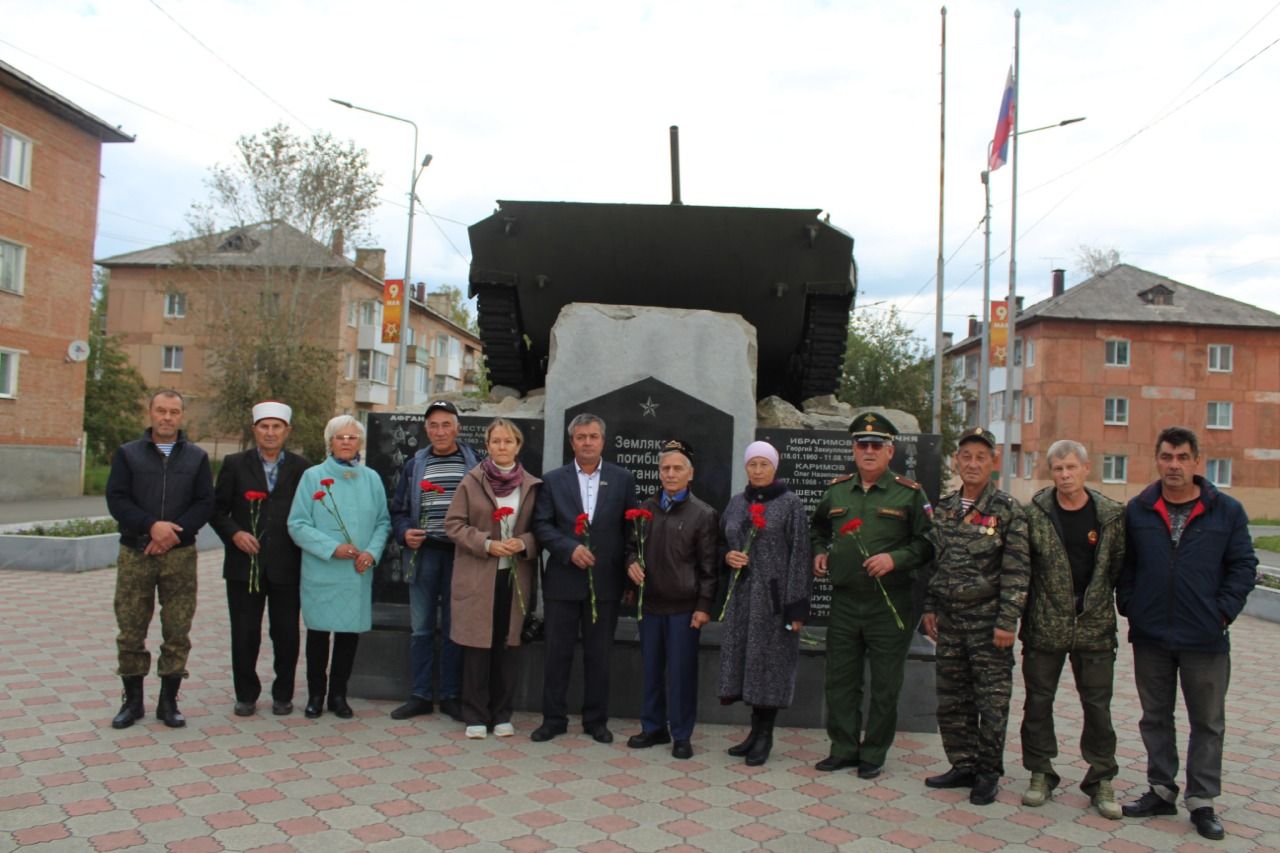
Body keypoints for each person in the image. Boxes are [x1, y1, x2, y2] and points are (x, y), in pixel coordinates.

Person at [1117, 427, 1257, 840]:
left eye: (1181, 457)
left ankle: (1202, 801)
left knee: (1208, 722)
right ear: (1156, 460)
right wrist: (1131, 604)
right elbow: (1125, 566)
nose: (1173, 465)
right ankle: (1160, 789)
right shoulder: (1139, 509)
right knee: (1155, 717)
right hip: (1151, 635)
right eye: (1166, 457)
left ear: (1197, 461)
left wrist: (1222, 613)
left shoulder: (1226, 511)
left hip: (1206, 637)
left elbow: (1244, 566)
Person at [810, 412, 933, 778]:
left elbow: (927, 543)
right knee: (841, 679)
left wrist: (895, 559)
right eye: (862, 445)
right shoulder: (837, 490)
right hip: (846, 601)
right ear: (853, 449)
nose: (868, 451)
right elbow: (817, 527)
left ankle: (874, 752)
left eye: (876, 445)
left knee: (884, 683)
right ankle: (844, 747)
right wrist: (820, 551)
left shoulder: (908, 493)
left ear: (890, 450)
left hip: (889, 603)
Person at [922, 426, 1029, 805]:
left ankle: (988, 771)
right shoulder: (945, 508)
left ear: (993, 463)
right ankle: (962, 763)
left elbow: (1017, 571)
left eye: (980, 457)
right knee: (953, 698)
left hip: (988, 626)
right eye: (966, 456)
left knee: (991, 700)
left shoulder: (1008, 511)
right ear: (956, 460)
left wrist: (1007, 621)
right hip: (950, 622)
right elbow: (936, 564)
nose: (972, 463)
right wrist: (930, 608)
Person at [1019, 440, 1125, 819]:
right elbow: (1023, 569)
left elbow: (1117, 568)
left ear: (1085, 469)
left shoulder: (1111, 515)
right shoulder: (1034, 513)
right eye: (1058, 469)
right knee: (1038, 701)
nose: (1065, 475)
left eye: (1071, 468)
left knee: (1097, 706)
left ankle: (1101, 777)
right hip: (1045, 625)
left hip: (1093, 627)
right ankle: (1040, 771)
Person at [106, 389, 215, 729]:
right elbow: (117, 499)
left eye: (174, 412)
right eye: (161, 411)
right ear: (150, 412)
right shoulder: (128, 455)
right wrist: (151, 526)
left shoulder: (196, 458)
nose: (167, 417)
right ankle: (133, 701)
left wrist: (172, 536)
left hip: (179, 557)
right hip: (136, 553)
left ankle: (169, 701)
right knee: (131, 629)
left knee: (177, 629)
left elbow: (204, 503)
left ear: (182, 416)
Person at [531, 413, 638, 744]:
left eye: (593, 436)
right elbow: (542, 524)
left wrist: (629, 575)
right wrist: (568, 548)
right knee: (557, 654)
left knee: (599, 656)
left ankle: (596, 720)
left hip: (605, 583)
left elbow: (630, 530)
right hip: (563, 581)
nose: (587, 442)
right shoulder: (552, 480)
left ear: (603, 440)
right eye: (580, 437)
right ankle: (553, 719)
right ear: (571, 441)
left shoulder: (622, 479)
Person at [287, 415, 390, 720]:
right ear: (329, 442)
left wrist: (370, 552)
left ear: (360, 442)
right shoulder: (312, 477)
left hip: (357, 571)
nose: (346, 442)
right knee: (319, 635)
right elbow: (297, 524)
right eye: (340, 437)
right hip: (323, 569)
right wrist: (333, 548)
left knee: (348, 636)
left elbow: (383, 522)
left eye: (352, 437)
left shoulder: (371, 478)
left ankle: (339, 695)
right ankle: (316, 695)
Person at [444, 417, 541, 739]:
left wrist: (523, 543)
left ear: (518, 446)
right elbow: (454, 524)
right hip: (478, 577)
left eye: (508, 441)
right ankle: (475, 713)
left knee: (508, 645)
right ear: (487, 446)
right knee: (477, 646)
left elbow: (541, 530)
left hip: (514, 579)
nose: (502, 447)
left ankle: (502, 713)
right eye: (496, 441)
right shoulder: (471, 482)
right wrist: (486, 543)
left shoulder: (532, 485)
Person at [211, 401, 309, 717]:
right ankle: (246, 695)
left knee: (286, 633)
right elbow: (216, 509)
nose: (270, 432)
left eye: (276, 427)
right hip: (244, 565)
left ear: (287, 431)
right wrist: (235, 534)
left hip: (287, 564)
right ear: (255, 430)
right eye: (264, 426)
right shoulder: (235, 464)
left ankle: (283, 694)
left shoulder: (302, 467)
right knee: (244, 632)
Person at [718, 440, 813, 766]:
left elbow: (800, 555)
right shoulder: (734, 503)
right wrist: (727, 556)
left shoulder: (791, 505)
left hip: (773, 601)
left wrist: (796, 606)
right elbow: (721, 542)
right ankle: (753, 733)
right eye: (752, 464)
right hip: (742, 599)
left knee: (769, 666)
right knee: (747, 664)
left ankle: (766, 736)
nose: (758, 470)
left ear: (775, 466)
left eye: (764, 464)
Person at [388, 400, 481, 723]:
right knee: (422, 627)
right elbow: (398, 510)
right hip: (424, 554)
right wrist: (404, 533)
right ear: (426, 430)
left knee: (456, 627)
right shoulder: (416, 465)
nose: (440, 431)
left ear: (457, 427)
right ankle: (421, 695)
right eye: (433, 426)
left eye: (446, 424)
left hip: (461, 555)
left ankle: (452, 695)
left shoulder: (475, 463)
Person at [625, 439, 719, 760]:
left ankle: (681, 733)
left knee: (680, 674)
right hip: (650, 605)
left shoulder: (703, 514)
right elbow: (629, 548)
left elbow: (709, 567)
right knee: (651, 670)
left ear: (690, 474)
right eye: (665, 468)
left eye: (677, 468)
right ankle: (653, 727)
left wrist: (704, 607)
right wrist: (630, 564)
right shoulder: (645, 509)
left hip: (683, 609)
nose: (670, 473)